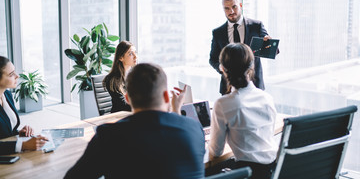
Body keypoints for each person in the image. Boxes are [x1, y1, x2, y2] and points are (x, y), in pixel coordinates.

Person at [65, 63, 206, 179]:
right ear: (166, 96)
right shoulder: (195, 129)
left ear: (127, 98)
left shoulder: (108, 136)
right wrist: (176, 110)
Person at [207, 43, 278, 179]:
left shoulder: (223, 104)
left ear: (222, 68)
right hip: (272, 170)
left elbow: (216, 152)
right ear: (251, 66)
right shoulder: (267, 98)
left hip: (248, 173)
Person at [210, 0, 276, 95]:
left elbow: (272, 50)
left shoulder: (256, 26)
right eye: (226, 8)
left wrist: (269, 44)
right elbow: (213, 59)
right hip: (228, 88)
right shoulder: (218, 33)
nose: (231, 11)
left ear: (240, 5)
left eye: (234, 7)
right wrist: (221, 68)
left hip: (254, 85)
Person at [0, 56, 47, 155]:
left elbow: (4, 131)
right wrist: (23, 145)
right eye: (11, 74)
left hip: (13, 156)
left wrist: (19, 133)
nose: (17, 76)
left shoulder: (7, 95)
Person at [103, 41, 137, 113]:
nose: (135, 56)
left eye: (135, 52)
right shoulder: (112, 80)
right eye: (130, 53)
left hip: (133, 115)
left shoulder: (135, 75)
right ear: (121, 58)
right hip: (119, 118)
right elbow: (123, 106)